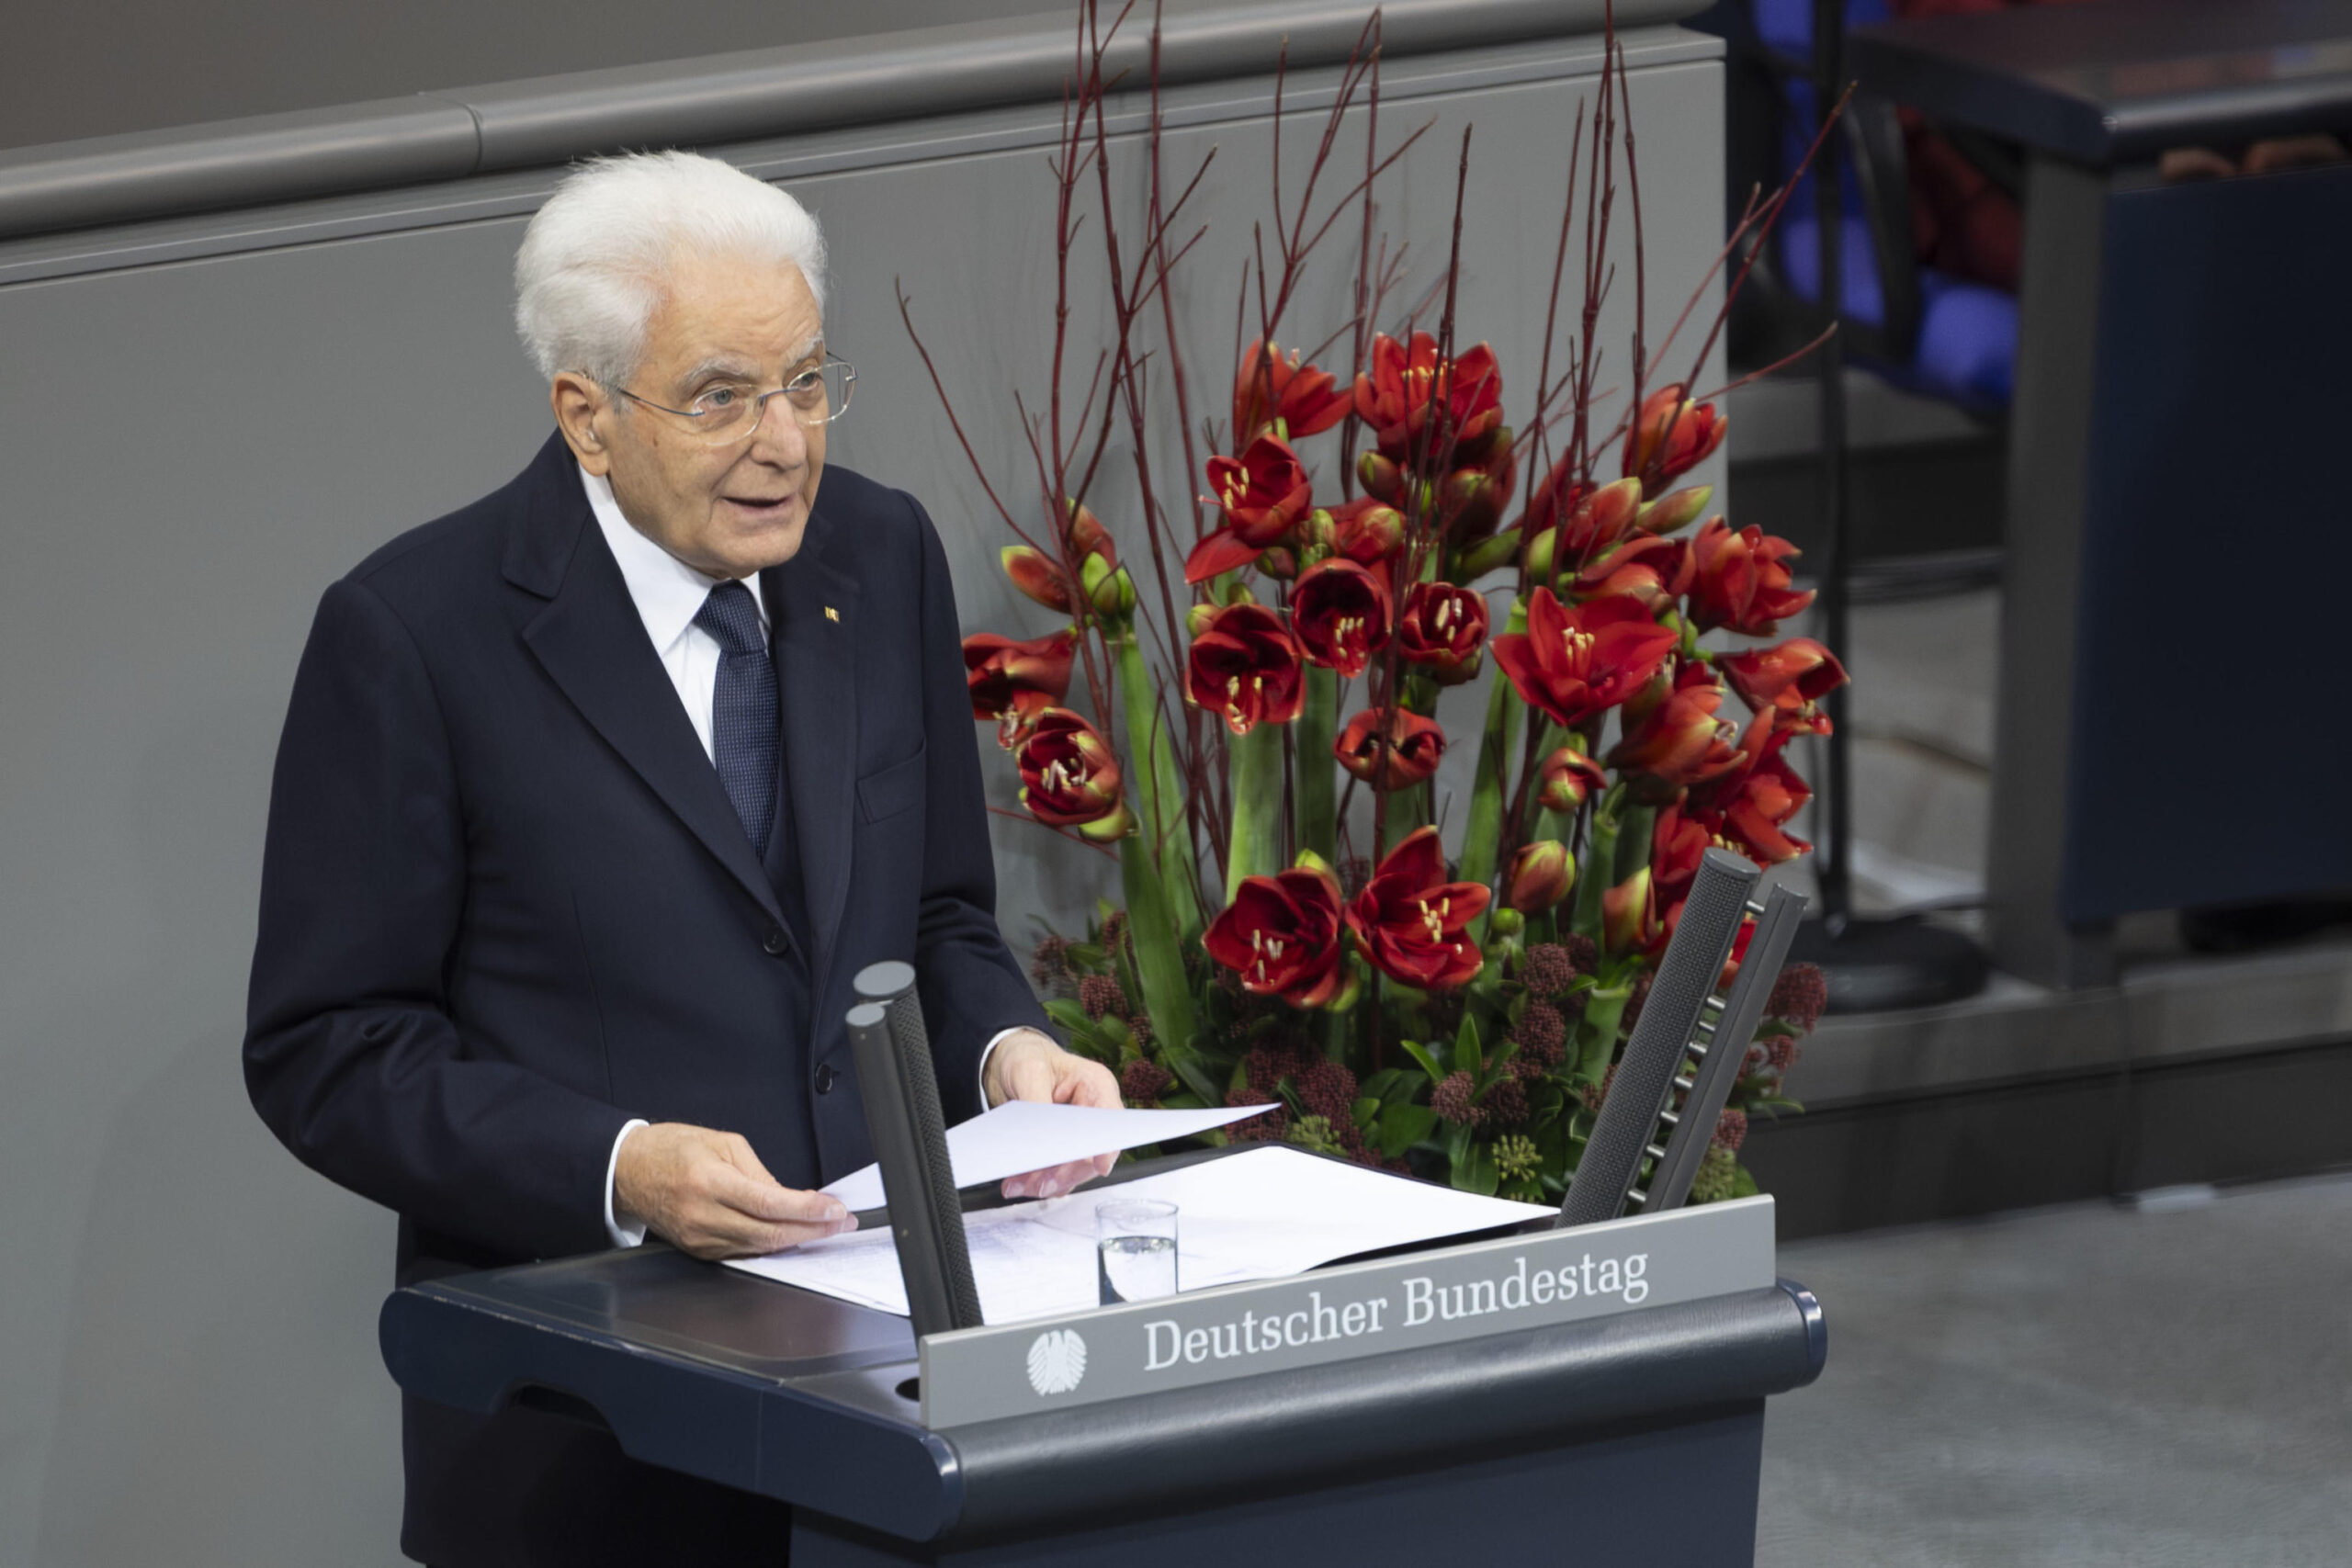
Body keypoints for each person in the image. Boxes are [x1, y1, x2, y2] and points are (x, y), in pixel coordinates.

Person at [243, 150, 1118, 1567]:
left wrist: (1010, 1053)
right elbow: (326, 1048)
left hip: (899, 1427)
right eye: (723, 397)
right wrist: (620, 1165)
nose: (788, 442)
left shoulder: (877, 555)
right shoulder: (416, 633)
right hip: (597, 1450)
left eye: (809, 382)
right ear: (587, 416)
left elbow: (941, 917)